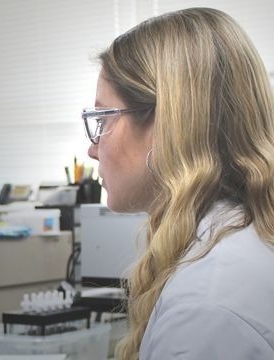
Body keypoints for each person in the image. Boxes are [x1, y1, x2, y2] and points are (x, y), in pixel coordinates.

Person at [82, 7, 274, 360]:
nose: (93, 148)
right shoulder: (241, 244)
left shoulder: (204, 310)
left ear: (167, 123)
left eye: (102, 118)